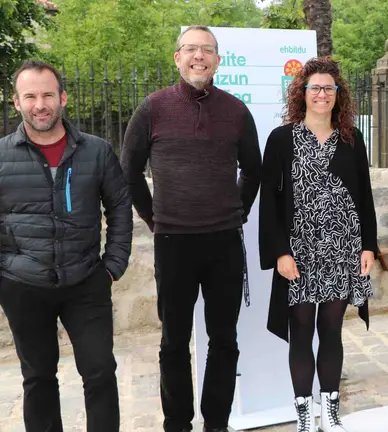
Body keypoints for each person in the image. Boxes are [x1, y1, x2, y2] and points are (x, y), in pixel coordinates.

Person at [120, 25, 262, 432]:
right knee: (173, 342)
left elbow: (253, 171)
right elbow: (129, 173)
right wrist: (153, 218)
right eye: (191, 49)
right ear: (177, 57)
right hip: (173, 243)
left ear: (218, 60)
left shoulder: (236, 111)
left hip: (223, 244)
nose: (199, 56)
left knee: (224, 340)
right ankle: (177, 424)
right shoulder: (152, 108)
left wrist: (237, 211)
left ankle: (216, 422)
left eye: (207, 50)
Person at [0, 60, 132, 432]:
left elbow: (120, 205)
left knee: (100, 372)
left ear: (63, 98)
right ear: (17, 102)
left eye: (47, 95)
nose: (39, 104)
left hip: (87, 280)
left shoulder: (97, 150)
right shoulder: (2, 155)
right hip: (22, 285)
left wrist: (113, 265)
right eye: (30, 96)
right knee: (38, 378)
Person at [259, 57, 377, 432]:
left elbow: (365, 198)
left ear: (338, 95)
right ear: (302, 94)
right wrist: (280, 252)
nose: (322, 94)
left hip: (342, 248)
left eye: (329, 88)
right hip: (300, 251)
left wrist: (368, 246)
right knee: (301, 329)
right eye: (315, 88)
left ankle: (331, 410)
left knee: (331, 330)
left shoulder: (352, 139)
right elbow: (270, 202)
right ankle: (305, 416)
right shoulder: (281, 139)